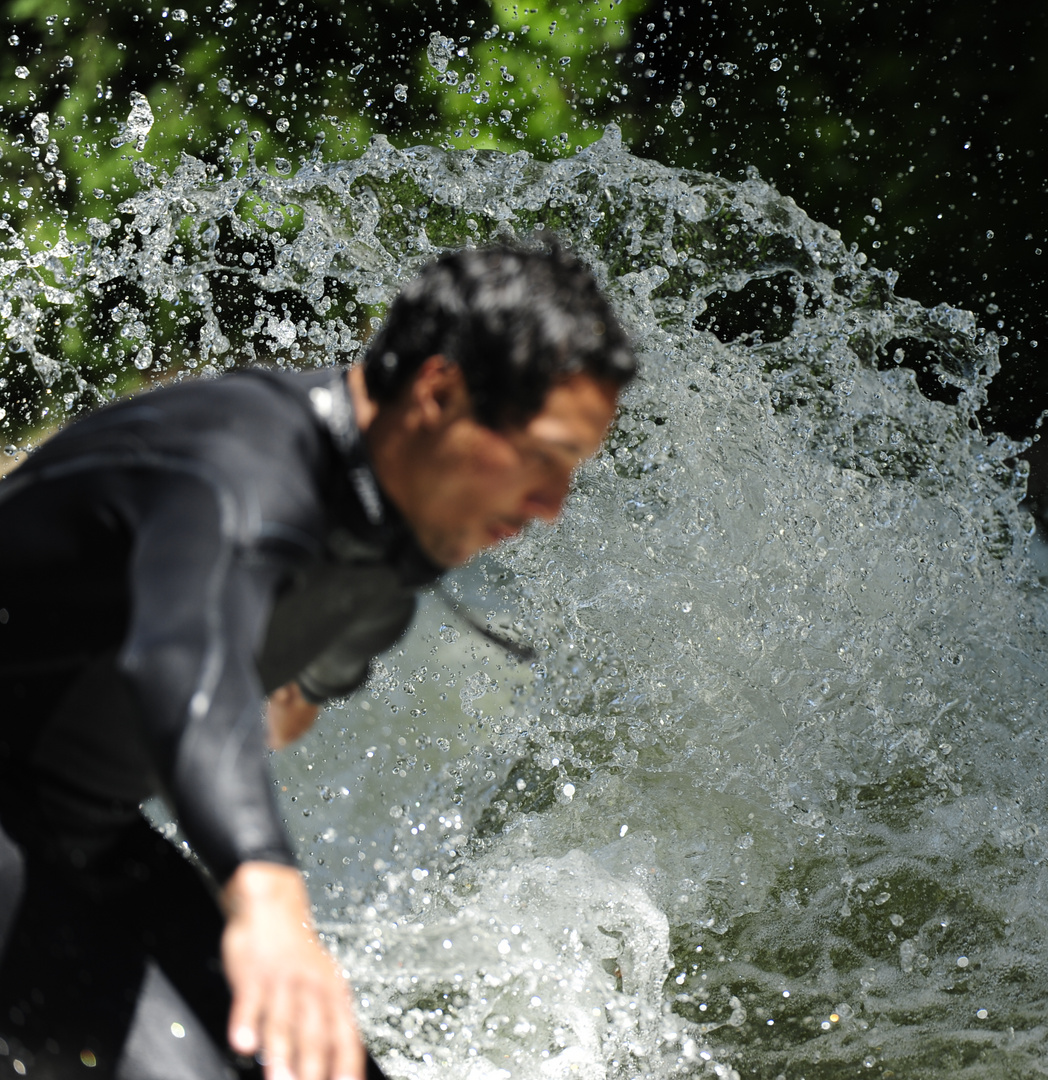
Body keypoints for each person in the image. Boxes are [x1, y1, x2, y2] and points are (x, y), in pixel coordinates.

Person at [0, 241, 636, 1080]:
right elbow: (181, 662)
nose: (551, 506)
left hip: (74, 830)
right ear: (438, 393)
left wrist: (307, 683)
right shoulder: (240, 464)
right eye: (540, 458)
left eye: (571, 472)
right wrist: (264, 891)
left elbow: (343, 619)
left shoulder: (378, 519)